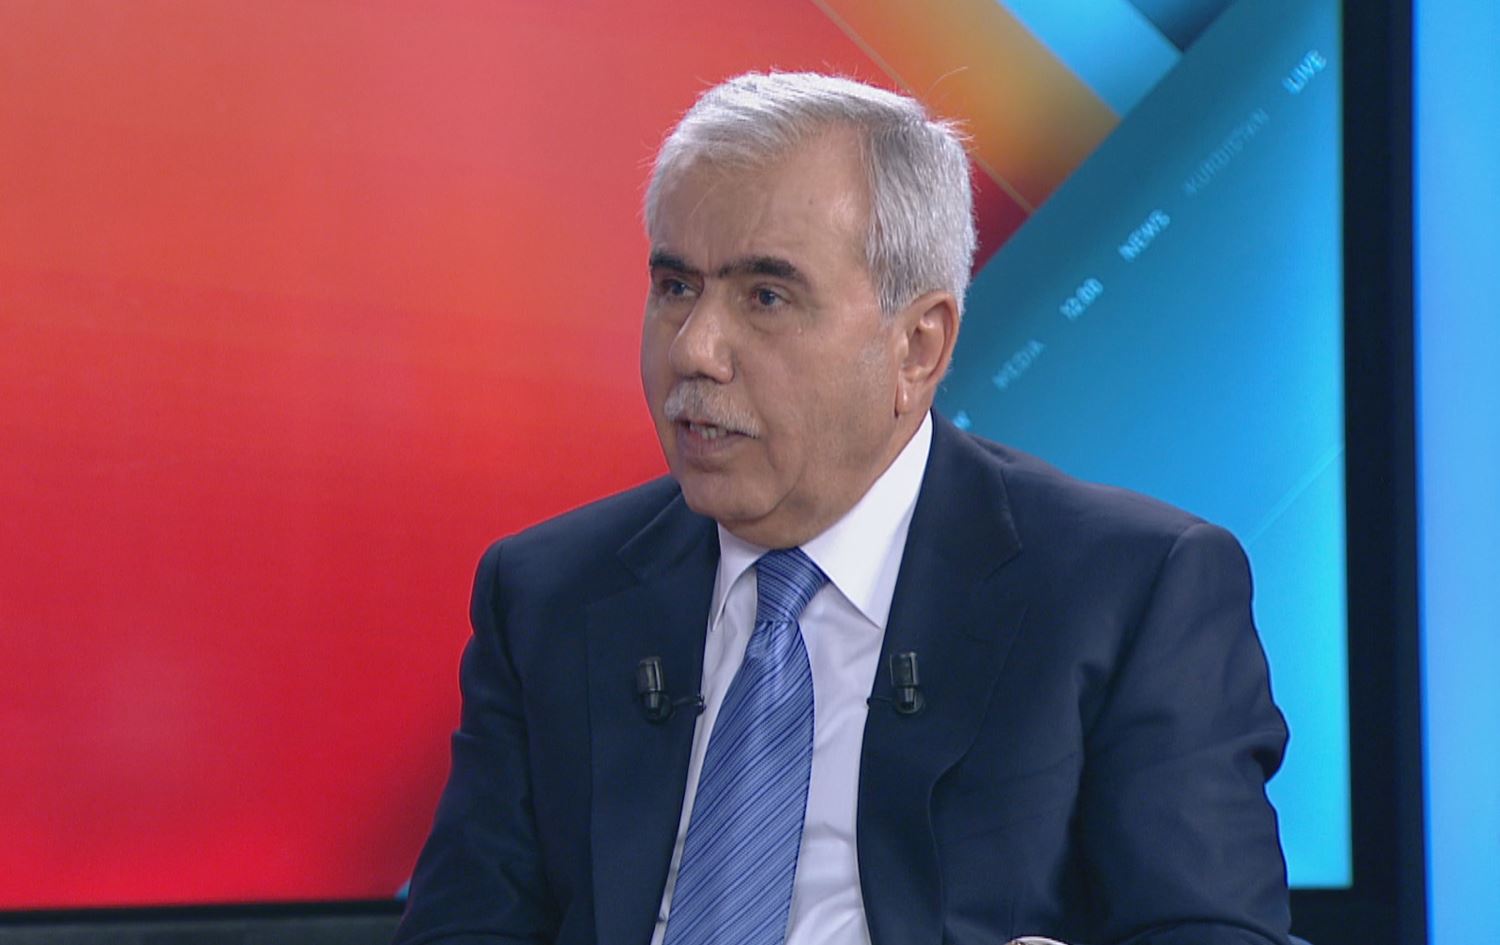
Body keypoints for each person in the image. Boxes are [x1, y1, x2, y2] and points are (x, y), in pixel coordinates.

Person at [394, 72, 1292, 945]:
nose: (695, 349)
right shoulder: (548, 594)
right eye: (675, 287)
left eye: (766, 296)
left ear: (918, 346)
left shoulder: (1130, 590)